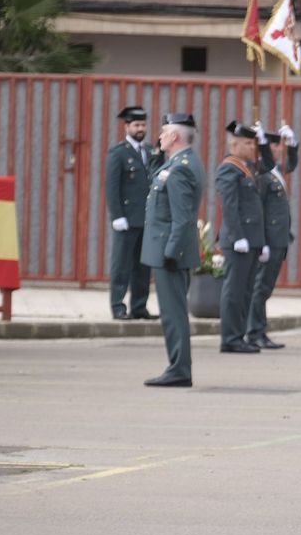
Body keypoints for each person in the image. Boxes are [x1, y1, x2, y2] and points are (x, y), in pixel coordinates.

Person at [142, 114, 206, 388]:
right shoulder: (179, 163)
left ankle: (179, 369)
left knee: (173, 313)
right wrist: (158, 153)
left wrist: (170, 252)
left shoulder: (181, 168)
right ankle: (177, 366)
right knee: (172, 312)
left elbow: (183, 218)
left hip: (170, 252)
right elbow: (154, 177)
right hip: (169, 248)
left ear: (176, 136)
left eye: (164, 131)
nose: (159, 135)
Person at [213, 121, 265, 355]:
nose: (252, 147)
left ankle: (240, 334)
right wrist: (237, 237)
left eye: (254, 143)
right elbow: (230, 206)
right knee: (234, 291)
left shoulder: (249, 167)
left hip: (252, 238)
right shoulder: (228, 168)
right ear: (234, 144)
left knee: (245, 291)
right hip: (239, 240)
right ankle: (230, 338)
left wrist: (259, 240)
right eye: (248, 143)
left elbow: (270, 167)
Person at [247, 124, 298, 350]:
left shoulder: (275, 171)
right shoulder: (262, 173)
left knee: (265, 288)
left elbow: (291, 165)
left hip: (280, 238)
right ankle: (254, 331)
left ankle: (260, 329)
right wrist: (263, 241)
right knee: (260, 288)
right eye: (276, 145)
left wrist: (294, 145)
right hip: (270, 239)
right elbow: (259, 209)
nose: (280, 149)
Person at [105, 105, 158, 320]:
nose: (140, 128)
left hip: (145, 219)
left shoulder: (150, 151)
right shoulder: (118, 153)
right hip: (126, 219)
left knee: (143, 266)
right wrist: (116, 216)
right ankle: (118, 306)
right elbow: (112, 187)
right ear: (126, 126)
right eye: (136, 125)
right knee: (122, 265)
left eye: (143, 124)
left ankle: (139, 306)